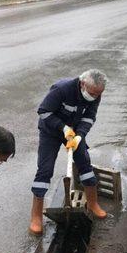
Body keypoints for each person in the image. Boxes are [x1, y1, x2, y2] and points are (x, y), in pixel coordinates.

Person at [29, 69, 107, 235]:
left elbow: (89, 117)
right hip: (50, 131)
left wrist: (80, 136)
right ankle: (36, 216)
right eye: (92, 93)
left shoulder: (96, 93)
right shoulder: (62, 89)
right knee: (45, 170)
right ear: (82, 84)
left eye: (98, 95)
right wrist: (62, 127)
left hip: (74, 132)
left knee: (85, 164)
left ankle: (92, 204)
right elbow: (43, 111)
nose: (94, 97)